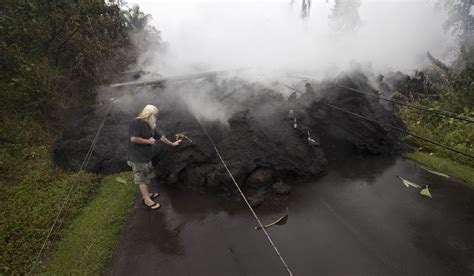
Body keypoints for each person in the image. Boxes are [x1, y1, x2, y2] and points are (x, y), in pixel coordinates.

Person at [127, 104, 181, 210]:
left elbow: (160, 137)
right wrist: (148, 141)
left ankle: (147, 194)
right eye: (155, 115)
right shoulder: (136, 122)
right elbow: (133, 139)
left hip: (146, 156)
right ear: (149, 114)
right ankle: (146, 199)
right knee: (142, 179)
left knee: (146, 177)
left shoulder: (150, 125)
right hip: (137, 157)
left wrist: (173, 144)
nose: (156, 117)